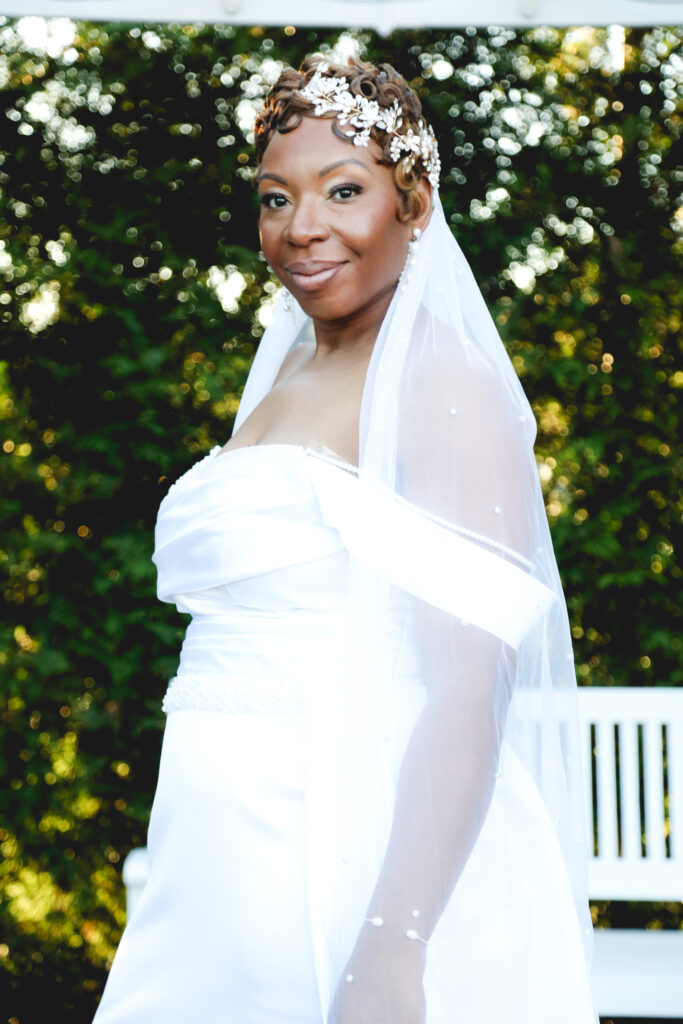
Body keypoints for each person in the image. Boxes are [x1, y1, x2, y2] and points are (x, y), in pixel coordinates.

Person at [93, 56, 597, 1024]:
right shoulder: (285, 366)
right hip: (219, 850)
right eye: (275, 197)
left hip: (349, 842)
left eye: (344, 190)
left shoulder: (439, 378)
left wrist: (394, 942)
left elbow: (466, 684)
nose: (301, 227)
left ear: (412, 204)